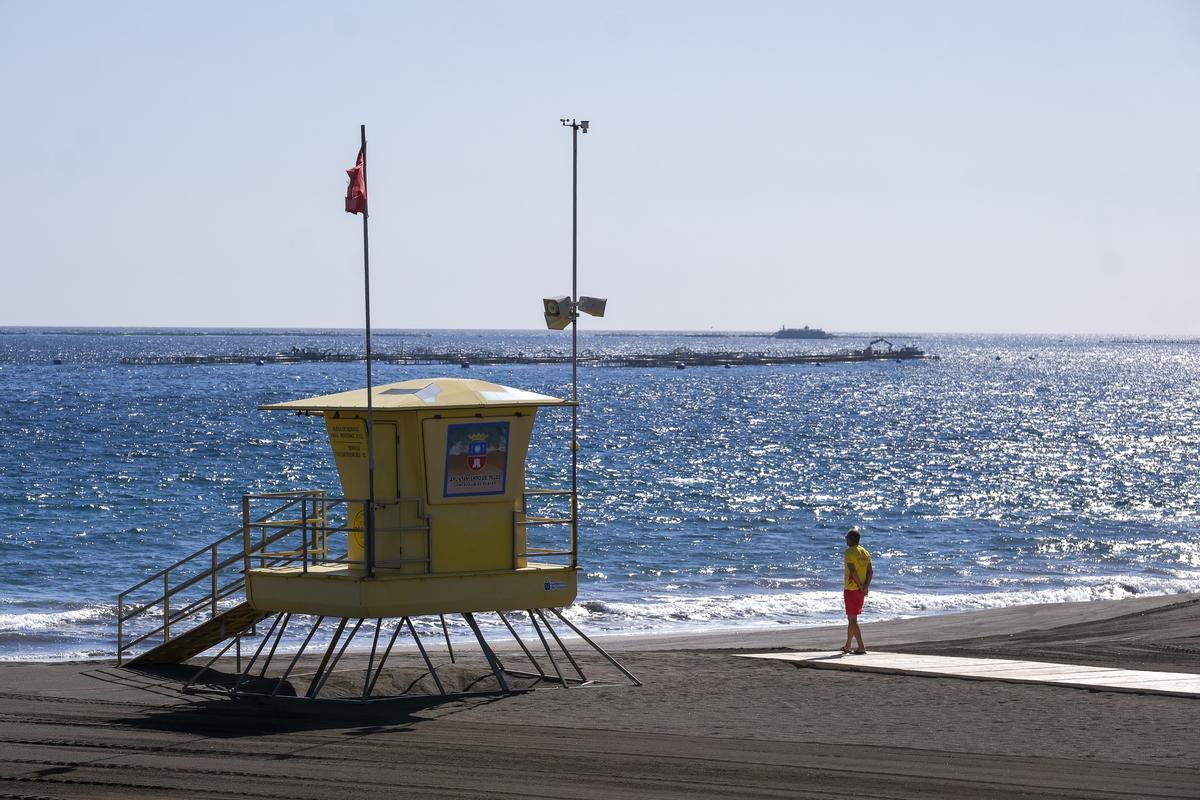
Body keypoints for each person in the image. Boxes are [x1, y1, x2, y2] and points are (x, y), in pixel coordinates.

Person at [841, 526, 872, 655]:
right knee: (851, 619)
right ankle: (848, 646)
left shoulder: (849, 552)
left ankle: (861, 647)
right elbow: (870, 571)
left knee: (853, 620)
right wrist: (865, 586)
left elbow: (853, 571)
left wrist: (860, 586)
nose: (845, 540)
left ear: (851, 539)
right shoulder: (865, 552)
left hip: (852, 589)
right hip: (861, 589)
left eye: (847, 538)